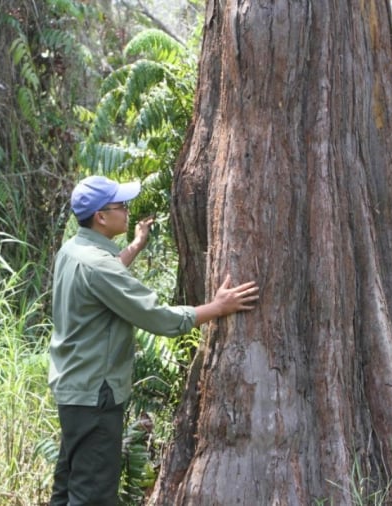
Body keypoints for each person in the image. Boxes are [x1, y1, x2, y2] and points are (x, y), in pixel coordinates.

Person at [48, 175, 259, 506]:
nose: (127, 211)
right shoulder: (99, 267)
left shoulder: (73, 251)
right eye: (121, 206)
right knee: (92, 496)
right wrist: (217, 307)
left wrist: (134, 246)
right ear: (101, 217)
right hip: (96, 395)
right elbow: (158, 317)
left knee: (68, 487)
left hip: (73, 390)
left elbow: (101, 281)